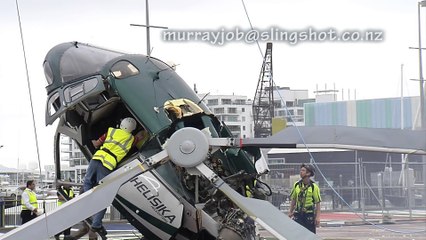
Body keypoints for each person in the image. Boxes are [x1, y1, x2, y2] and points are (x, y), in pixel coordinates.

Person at [83, 117, 138, 235]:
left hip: (97, 158)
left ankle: (87, 202)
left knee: (87, 183)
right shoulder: (131, 139)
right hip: (108, 165)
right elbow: (141, 137)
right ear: (132, 129)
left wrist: (88, 140)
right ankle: (96, 224)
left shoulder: (111, 131)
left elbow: (97, 143)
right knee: (104, 195)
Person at [288, 163, 321, 233]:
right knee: (297, 235)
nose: (301, 172)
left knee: (310, 235)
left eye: (303, 170)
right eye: (301, 170)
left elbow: (318, 202)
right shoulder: (296, 185)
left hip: (309, 215)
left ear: (308, 173)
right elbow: (293, 199)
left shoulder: (314, 187)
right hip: (298, 214)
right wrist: (290, 212)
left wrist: (318, 217)